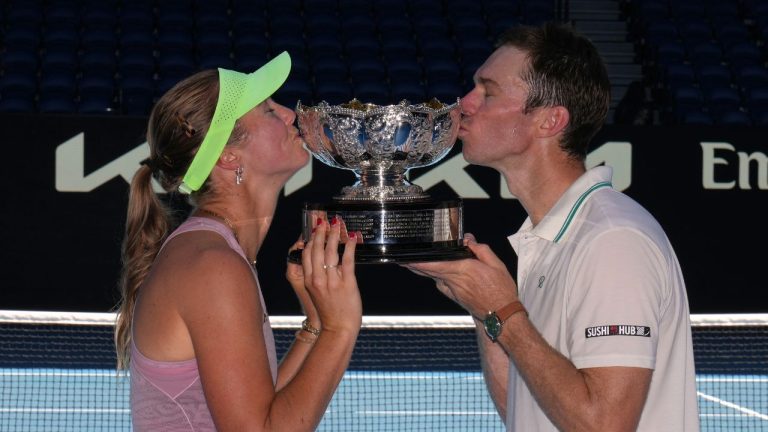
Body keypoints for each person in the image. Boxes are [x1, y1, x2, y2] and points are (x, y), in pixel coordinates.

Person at [405, 23, 699, 431]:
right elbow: (524, 409)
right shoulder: (550, 238)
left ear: (549, 121)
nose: (464, 105)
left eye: (487, 92)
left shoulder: (612, 240)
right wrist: (484, 312)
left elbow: (605, 425)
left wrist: (502, 310)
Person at [113, 51, 363, 431]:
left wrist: (314, 326)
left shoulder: (216, 253)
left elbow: (261, 407)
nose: (289, 114)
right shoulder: (213, 265)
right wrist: (339, 327)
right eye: (267, 110)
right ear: (229, 157)